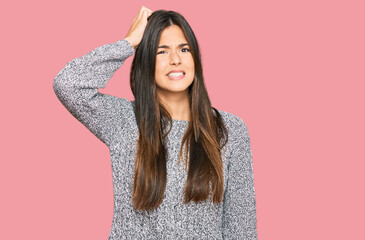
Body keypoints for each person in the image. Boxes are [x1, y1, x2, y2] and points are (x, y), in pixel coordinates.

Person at [53, 6, 258, 239]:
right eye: (161, 51)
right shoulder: (124, 120)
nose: (175, 60)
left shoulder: (230, 129)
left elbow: (241, 228)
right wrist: (128, 42)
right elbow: (68, 84)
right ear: (146, 62)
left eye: (184, 49)